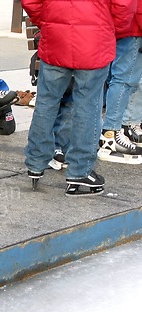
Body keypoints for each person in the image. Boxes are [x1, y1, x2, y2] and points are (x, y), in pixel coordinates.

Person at [22, 0, 137, 196]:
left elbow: (31, 2)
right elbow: (124, 6)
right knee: (88, 106)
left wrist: (49, 21)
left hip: (56, 36)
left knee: (46, 103)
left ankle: (35, 163)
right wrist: (107, 26)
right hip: (94, 38)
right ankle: (79, 170)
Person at [98, 1, 142, 164]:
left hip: (128, 24)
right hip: (132, 26)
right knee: (125, 80)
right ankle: (111, 133)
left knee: (123, 80)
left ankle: (115, 130)